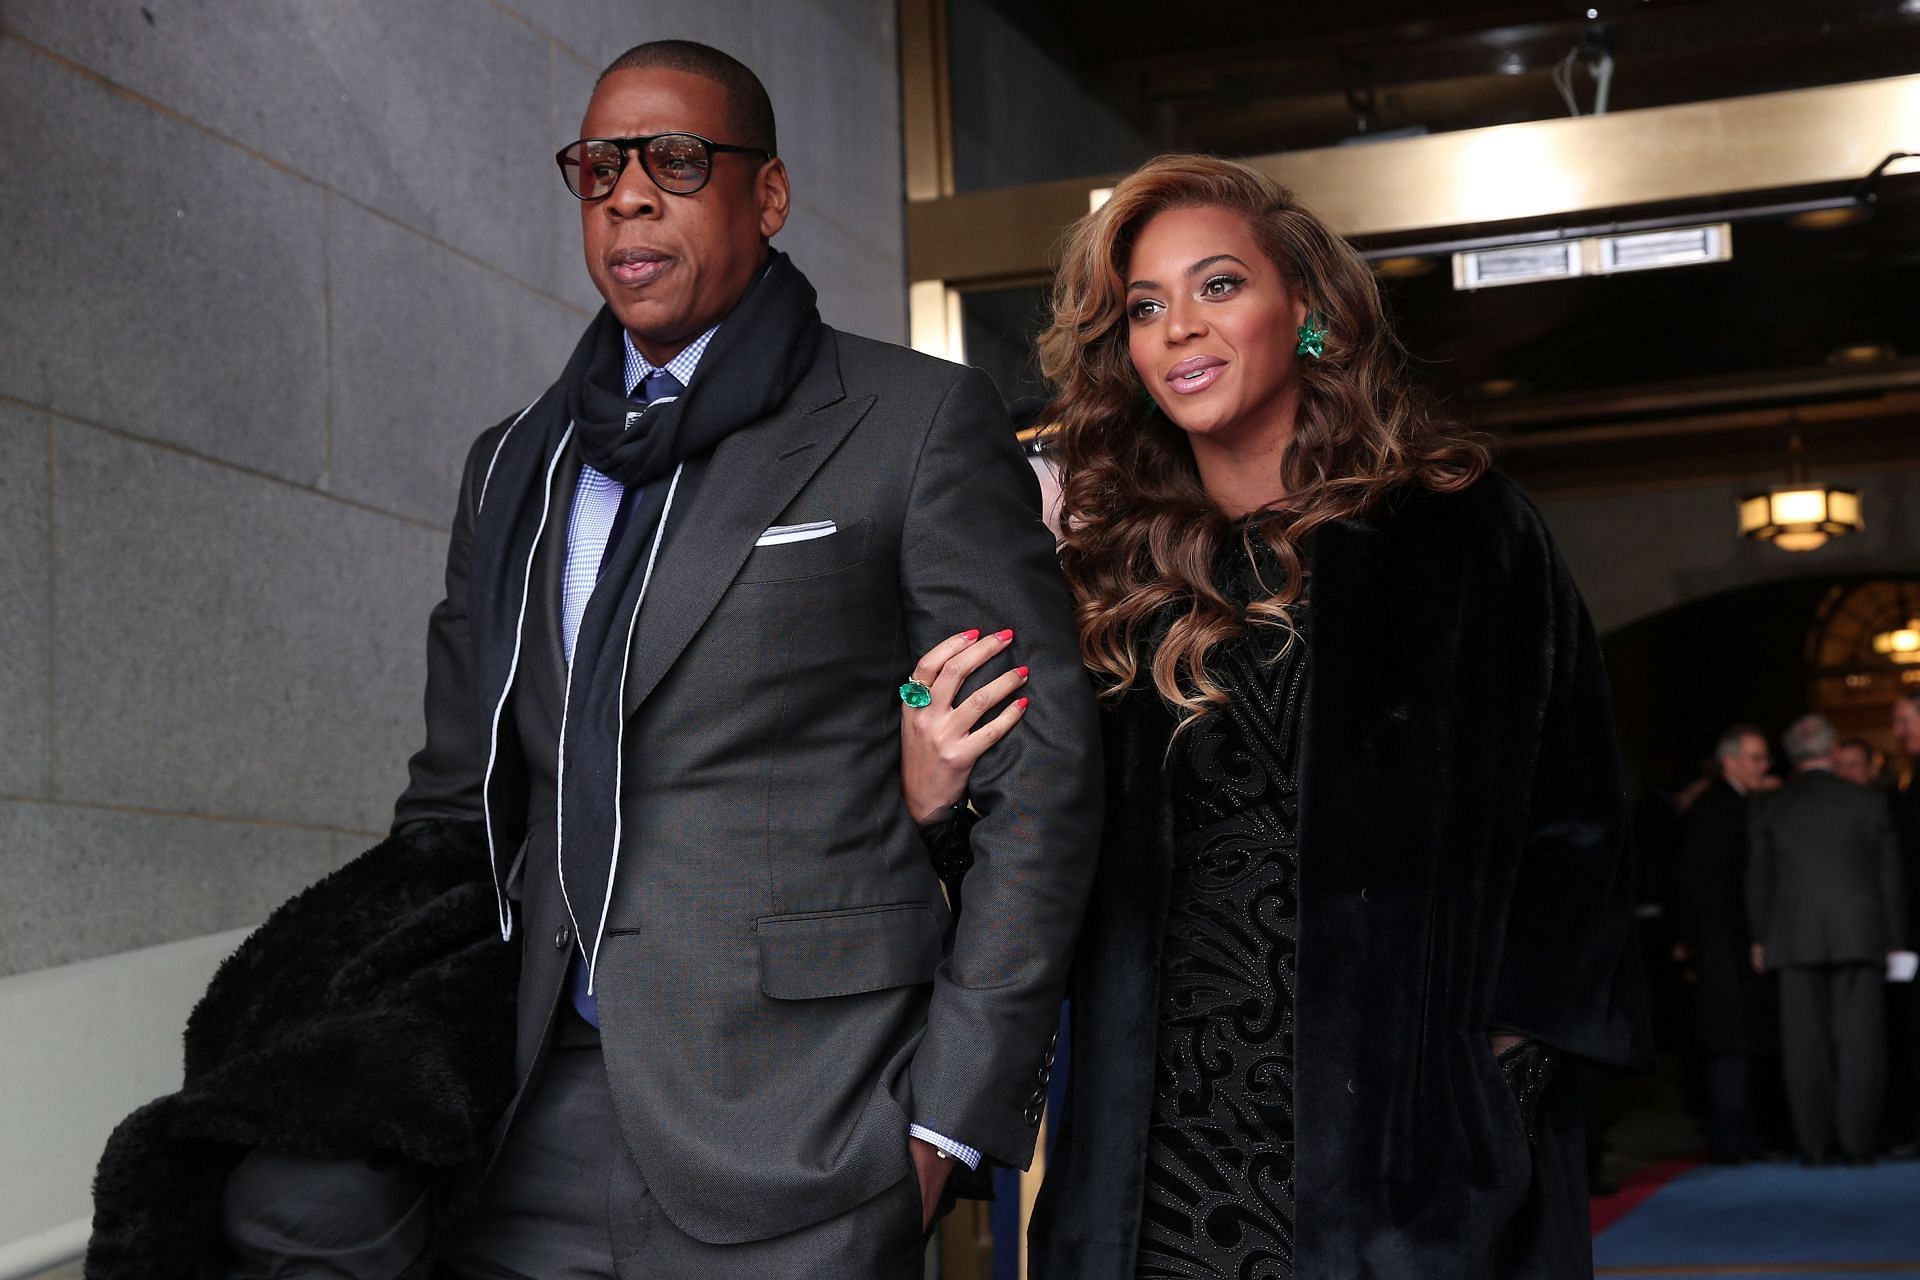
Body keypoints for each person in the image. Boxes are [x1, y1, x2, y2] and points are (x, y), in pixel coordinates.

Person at [96, 39, 1103, 1280]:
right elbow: (453, 803)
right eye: (597, 168)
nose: (628, 194)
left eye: (677, 160)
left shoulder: (913, 421)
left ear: (769, 195)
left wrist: (945, 1120)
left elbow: (1040, 787)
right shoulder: (515, 459)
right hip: (532, 1117)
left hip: (812, 1128)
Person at [900, 155, 1651, 1279]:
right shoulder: (1103, 575)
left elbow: (1578, 831)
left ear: (1305, 307)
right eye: (1145, 307)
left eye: (1217, 286)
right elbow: (1043, 867)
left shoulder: (1463, 535)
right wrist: (934, 796)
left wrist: (1498, 1091)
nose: (1178, 329)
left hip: (1410, 1177)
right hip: (1156, 1176)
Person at [1748, 713, 1905, 1165]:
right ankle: (1857, 1145)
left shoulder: (1771, 805)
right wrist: (1894, 938)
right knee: (1861, 1043)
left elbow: (1759, 878)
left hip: (1792, 936)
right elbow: (1888, 877)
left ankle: (1814, 1146)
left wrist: (1760, 936)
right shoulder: (1868, 802)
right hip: (1859, 934)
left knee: (1803, 1045)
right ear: (1834, 751)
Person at [1672, 726, 1776, 1162]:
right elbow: (1698, 880)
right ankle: (1733, 1141)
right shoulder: (1723, 809)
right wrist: (1691, 941)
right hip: (1724, 947)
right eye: (1756, 758)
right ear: (1729, 761)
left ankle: (1736, 1138)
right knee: (1729, 1044)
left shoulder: (1721, 805)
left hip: (1719, 945)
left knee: (1732, 1042)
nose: (1764, 766)